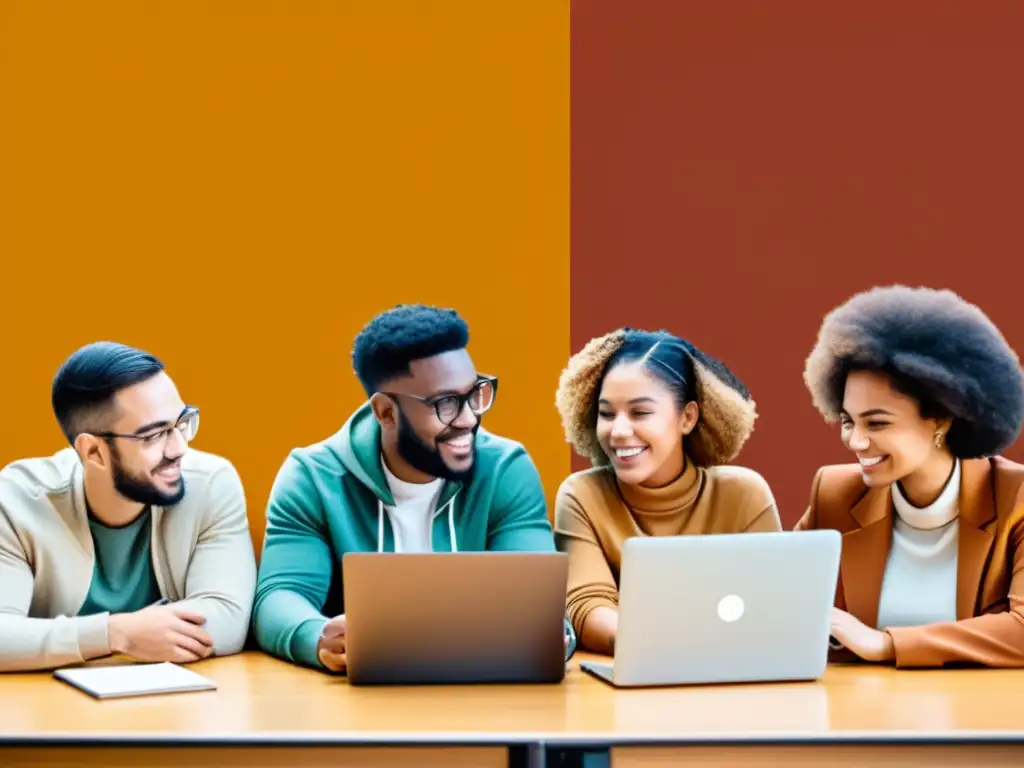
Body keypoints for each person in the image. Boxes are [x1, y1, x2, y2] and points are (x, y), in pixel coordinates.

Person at [253, 304, 576, 672]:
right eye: (446, 403)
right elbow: (280, 597)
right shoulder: (312, 478)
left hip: (486, 699)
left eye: (475, 394)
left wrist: (550, 632)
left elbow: (533, 601)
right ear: (386, 412)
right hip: (358, 706)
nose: (469, 418)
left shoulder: (505, 469)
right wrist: (317, 635)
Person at [798, 285, 1024, 668]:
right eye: (848, 421)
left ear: (941, 419)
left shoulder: (1015, 499)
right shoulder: (835, 494)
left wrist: (886, 644)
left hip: (987, 721)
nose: (856, 440)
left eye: (878, 423)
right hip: (865, 720)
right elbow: (777, 600)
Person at [0, 342, 256, 672]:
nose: (179, 448)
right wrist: (116, 634)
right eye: (153, 435)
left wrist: (55, 643)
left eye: (182, 422)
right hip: (50, 710)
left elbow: (228, 620)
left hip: (180, 706)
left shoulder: (211, 484)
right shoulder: (20, 499)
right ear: (93, 452)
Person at [553, 328, 782, 654]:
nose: (618, 431)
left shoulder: (744, 495)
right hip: (624, 688)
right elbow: (587, 605)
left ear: (687, 418)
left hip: (730, 679)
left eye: (640, 412)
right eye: (606, 413)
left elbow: (772, 607)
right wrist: (662, 646)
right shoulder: (583, 495)